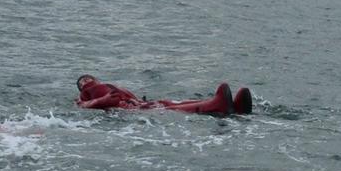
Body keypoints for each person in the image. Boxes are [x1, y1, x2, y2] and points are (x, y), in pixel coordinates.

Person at [75, 75, 253, 115]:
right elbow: (84, 105)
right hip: (130, 109)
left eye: (87, 79)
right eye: (82, 82)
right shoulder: (86, 94)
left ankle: (233, 107)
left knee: (167, 102)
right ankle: (217, 104)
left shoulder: (106, 85)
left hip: (137, 104)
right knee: (169, 107)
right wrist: (103, 100)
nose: (86, 82)